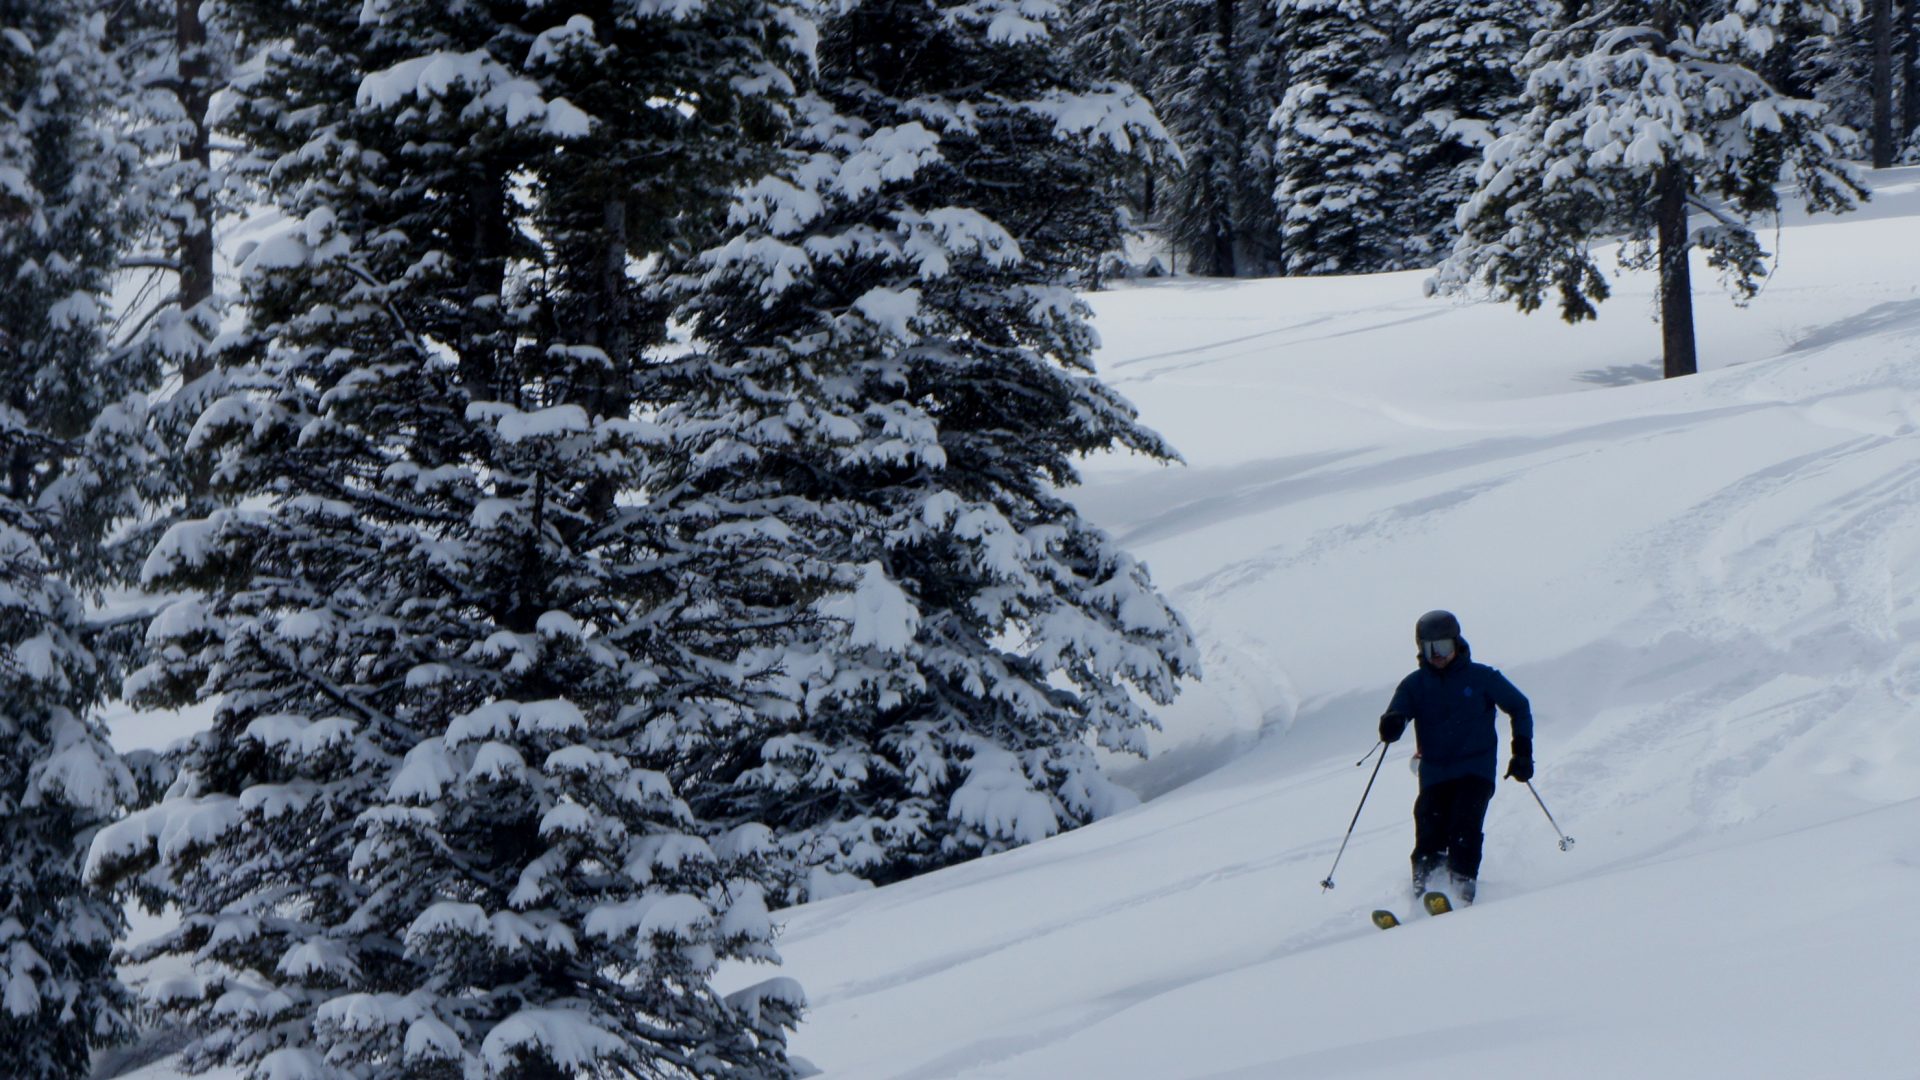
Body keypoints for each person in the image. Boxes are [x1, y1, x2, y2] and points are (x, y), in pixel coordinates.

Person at [1377, 610, 1532, 905]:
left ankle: (1461, 889)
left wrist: (1522, 752)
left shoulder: (1482, 677)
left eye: (1443, 646)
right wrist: (1392, 723)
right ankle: (1425, 893)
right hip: (1435, 772)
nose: (1437, 655)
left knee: (1464, 823)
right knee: (1428, 823)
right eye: (1429, 648)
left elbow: (1519, 706)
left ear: (1457, 643)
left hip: (1476, 768)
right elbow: (1396, 714)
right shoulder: (1414, 685)